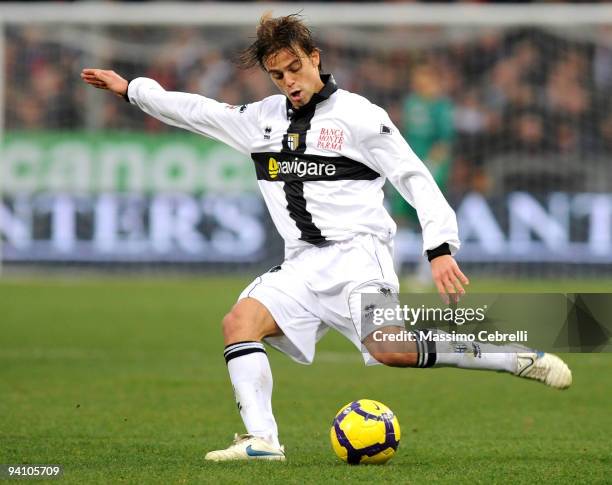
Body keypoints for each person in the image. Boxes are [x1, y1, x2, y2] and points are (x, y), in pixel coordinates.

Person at [81, 14, 572, 463]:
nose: (289, 81)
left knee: (391, 350)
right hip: (301, 264)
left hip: (360, 258)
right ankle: (262, 441)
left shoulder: (360, 116)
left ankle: (513, 357)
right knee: (239, 322)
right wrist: (133, 91)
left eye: (295, 68)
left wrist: (440, 248)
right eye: (278, 75)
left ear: (315, 58)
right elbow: (199, 111)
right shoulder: (263, 119)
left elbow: (414, 177)